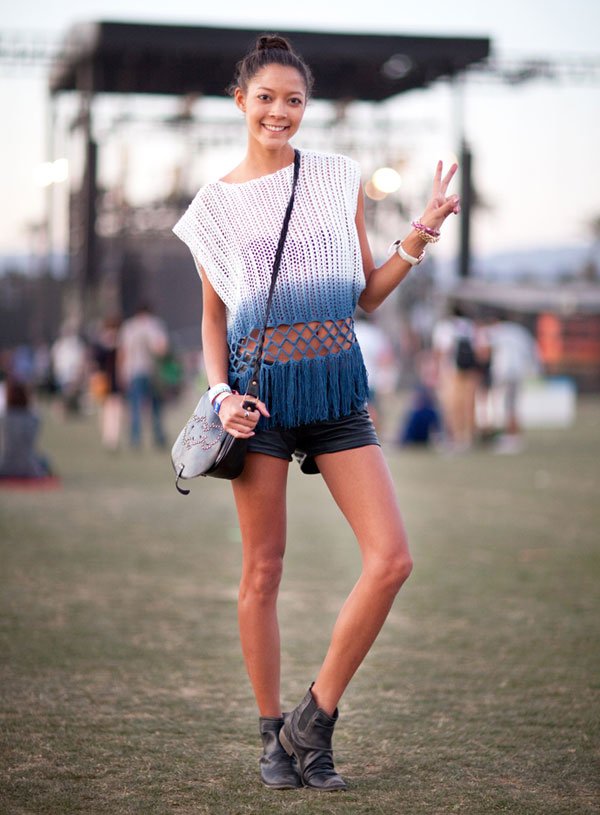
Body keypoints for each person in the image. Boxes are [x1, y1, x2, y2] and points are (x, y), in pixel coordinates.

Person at [173, 34, 460, 792]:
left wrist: (422, 230)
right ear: (241, 102)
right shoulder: (213, 208)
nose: (279, 112)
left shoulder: (335, 177)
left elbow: (366, 292)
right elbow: (212, 319)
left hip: (336, 389)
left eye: (293, 100)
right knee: (262, 571)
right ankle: (275, 736)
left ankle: (315, 717)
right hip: (257, 401)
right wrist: (220, 394)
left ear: (306, 107)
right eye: (265, 98)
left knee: (392, 558)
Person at [118, 303, 169, 449]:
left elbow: (122, 352)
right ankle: (158, 437)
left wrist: (122, 372)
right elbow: (162, 349)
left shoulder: (128, 327)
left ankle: (135, 439)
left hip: (133, 371)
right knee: (156, 407)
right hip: (153, 372)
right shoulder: (155, 325)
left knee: (135, 406)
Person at [0, 379, 53, 479]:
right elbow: (35, 409)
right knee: (45, 460)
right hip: (29, 468)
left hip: (4, 467)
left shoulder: (4, 418)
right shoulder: (34, 418)